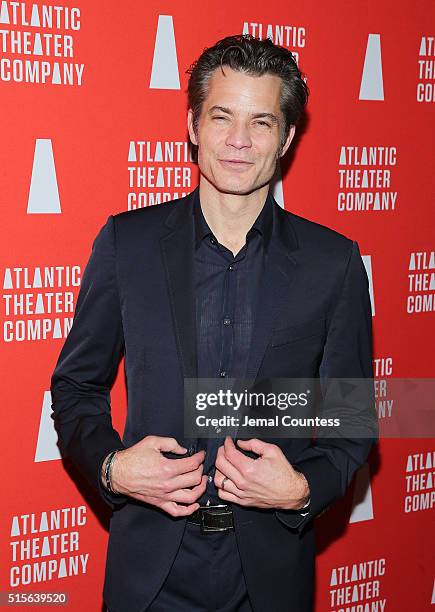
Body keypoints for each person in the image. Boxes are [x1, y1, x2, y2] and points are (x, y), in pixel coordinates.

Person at [50, 34, 378, 612]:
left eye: (261, 123)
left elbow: (354, 420)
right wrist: (112, 466)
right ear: (194, 125)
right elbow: (76, 385)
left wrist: (303, 488)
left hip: (270, 575)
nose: (238, 142)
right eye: (222, 116)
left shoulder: (334, 263)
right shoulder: (128, 244)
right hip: (149, 574)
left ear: (287, 139)